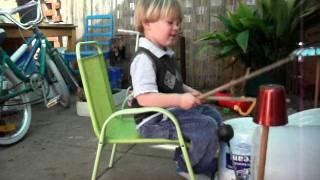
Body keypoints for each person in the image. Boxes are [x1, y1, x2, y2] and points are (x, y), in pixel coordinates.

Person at [131, 0, 222, 179]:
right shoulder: (144, 59)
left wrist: (190, 92)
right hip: (152, 122)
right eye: (170, 22)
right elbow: (145, 98)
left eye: (178, 22)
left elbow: (174, 84)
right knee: (206, 126)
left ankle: (199, 157)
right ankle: (191, 166)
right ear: (147, 23)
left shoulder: (164, 54)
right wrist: (180, 100)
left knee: (213, 115)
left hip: (167, 114)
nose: (176, 27)